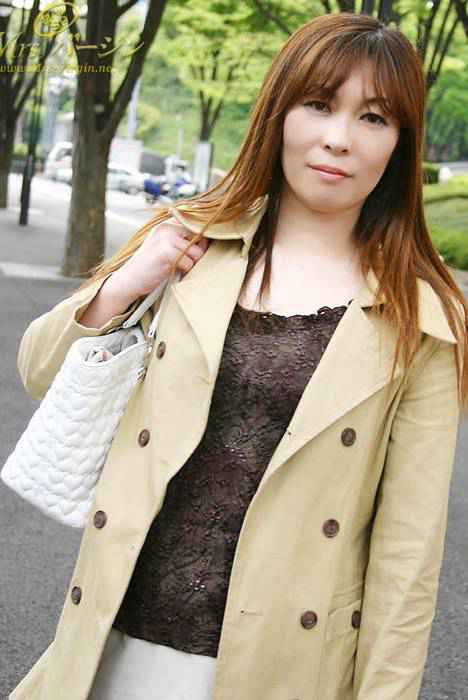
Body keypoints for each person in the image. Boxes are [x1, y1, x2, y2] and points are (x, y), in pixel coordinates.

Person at [9, 12, 468, 700]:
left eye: (373, 118)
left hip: (283, 669)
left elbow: (408, 560)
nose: (339, 138)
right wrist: (125, 283)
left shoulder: (421, 320)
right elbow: (38, 371)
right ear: (279, 112)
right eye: (319, 105)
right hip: (116, 641)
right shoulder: (192, 243)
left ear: (400, 144)